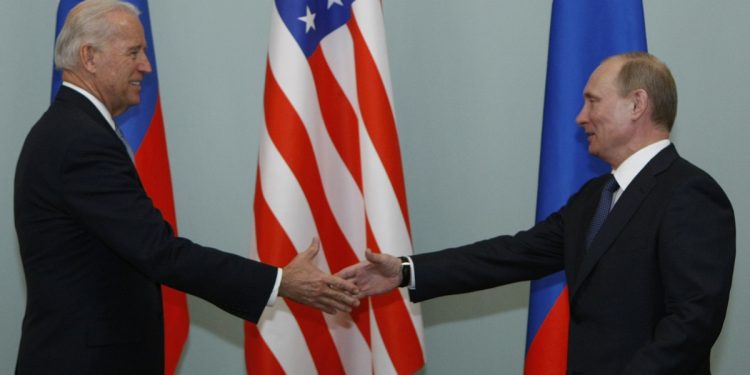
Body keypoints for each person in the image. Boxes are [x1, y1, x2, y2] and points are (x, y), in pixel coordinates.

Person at [14, 1, 358, 373]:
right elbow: (159, 253)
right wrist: (278, 281)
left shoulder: (70, 131)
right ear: (89, 57)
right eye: (134, 52)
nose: (146, 65)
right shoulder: (80, 141)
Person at [339, 52, 735, 374]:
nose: (580, 117)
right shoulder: (595, 196)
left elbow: (693, 321)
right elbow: (512, 254)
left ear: (637, 104)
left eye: (592, 100)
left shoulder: (690, 194)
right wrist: (406, 270)